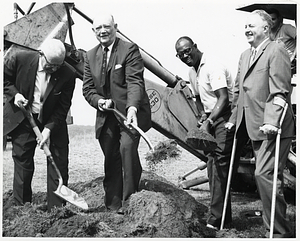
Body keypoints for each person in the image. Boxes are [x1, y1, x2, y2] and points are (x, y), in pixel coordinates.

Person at [225, 10, 295, 238]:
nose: (247, 29)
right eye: (246, 25)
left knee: (264, 175)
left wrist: (272, 122)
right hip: (251, 124)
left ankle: (278, 231)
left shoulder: (276, 50)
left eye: (252, 26)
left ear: (265, 29)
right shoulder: (245, 55)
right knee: (264, 176)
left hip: (272, 127)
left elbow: (280, 91)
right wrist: (233, 120)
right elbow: (238, 91)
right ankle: (273, 227)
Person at [82, 13, 151, 214]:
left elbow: (135, 82)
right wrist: (99, 101)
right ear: (93, 31)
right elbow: (88, 90)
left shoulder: (129, 50)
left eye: (106, 26)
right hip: (106, 117)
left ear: (115, 27)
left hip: (130, 115)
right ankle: (113, 205)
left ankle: (130, 203)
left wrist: (132, 108)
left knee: (127, 150)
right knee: (111, 157)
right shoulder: (90, 55)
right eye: (98, 28)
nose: (102, 31)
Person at [175, 36, 241, 230]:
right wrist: (202, 116)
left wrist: (210, 121)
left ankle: (215, 220)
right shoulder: (192, 71)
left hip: (226, 117)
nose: (185, 56)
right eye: (181, 54)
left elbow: (223, 99)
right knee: (212, 165)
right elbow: (197, 98)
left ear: (195, 47)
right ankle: (223, 218)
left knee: (219, 165)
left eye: (188, 51)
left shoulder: (212, 65)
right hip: (212, 117)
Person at [3, 38, 77, 211]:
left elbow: (63, 107)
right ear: (41, 54)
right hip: (25, 117)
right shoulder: (20, 59)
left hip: (52, 120)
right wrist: (15, 95)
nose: (54, 70)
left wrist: (49, 129)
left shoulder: (68, 73)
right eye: (51, 65)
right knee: (22, 161)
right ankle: (23, 209)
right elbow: (4, 79)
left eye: (58, 66)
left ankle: (57, 210)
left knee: (58, 160)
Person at [267, 8, 296, 75]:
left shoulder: (286, 28)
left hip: (289, 65)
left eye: (273, 19)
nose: (271, 22)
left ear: (279, 19)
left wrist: (294, 56)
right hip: (276, 65)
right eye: (268, 20)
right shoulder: (267, 33)